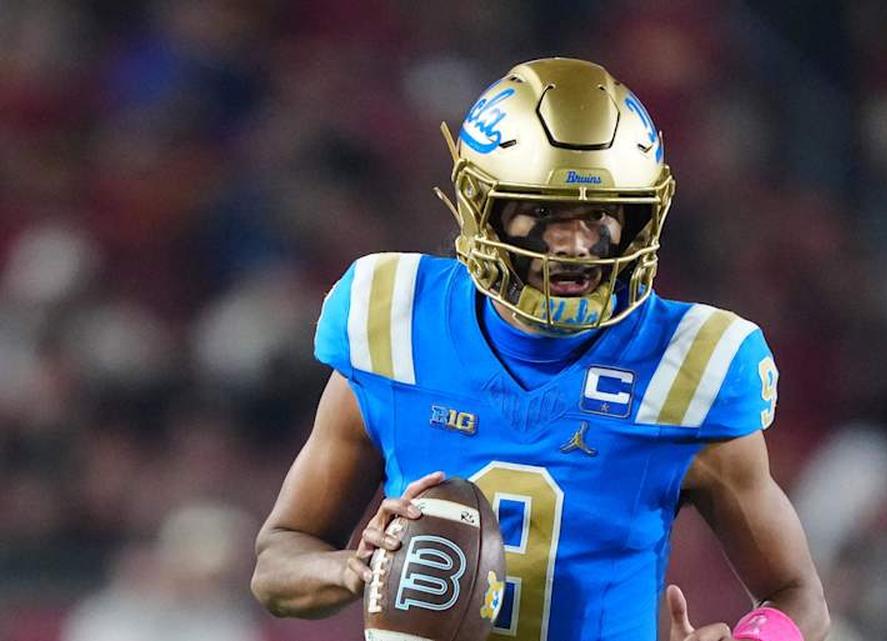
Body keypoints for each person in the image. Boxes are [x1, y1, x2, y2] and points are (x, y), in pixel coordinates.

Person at [251, 57, 829, 641]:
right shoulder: (394, 322)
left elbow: (798, 594)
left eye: (601, 215)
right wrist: (352, 568)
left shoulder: (691, 365)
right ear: (483, 209)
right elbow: (277, 562)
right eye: (543, 213)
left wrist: (756, 639)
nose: (576, 245)